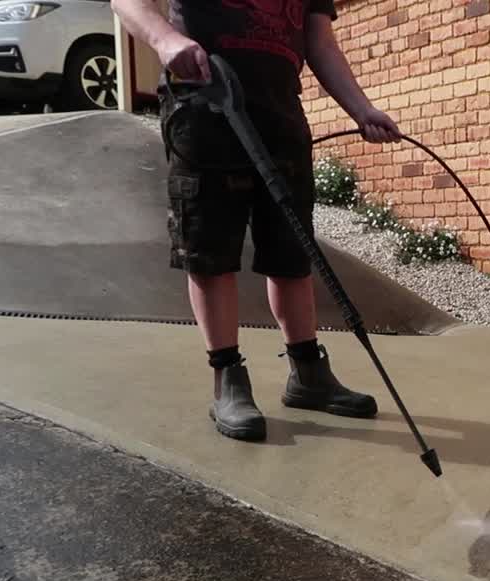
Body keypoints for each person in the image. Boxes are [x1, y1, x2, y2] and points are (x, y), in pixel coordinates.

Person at [111, 0, 402, 442]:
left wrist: (361, 109)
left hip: (281, 113)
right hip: (204, 105)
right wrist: (165, 40)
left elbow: (319, 44)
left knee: (292, 251)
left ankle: (308, 373)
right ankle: (227, 377)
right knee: (210, 251)